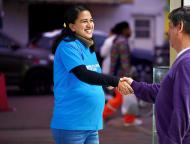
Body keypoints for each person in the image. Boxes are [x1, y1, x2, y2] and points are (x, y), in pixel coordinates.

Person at [121, 6, 190, 144]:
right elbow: (162, 91)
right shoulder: (189, 58)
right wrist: (134, 85)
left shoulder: (188, 62)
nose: (167, 32)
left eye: (170, 27)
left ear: (180, 26)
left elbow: (182, 111)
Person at [50, 5, 132, 144]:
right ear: (72, 26)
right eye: (84, 21)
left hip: (91, 125)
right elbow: (83, 74)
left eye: (91, 20)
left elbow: (94, 76)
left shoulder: (87, 46)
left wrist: (110, 85)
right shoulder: (68, 46)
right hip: (72, 125)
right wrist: (115, 81)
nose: (90, 25)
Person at [103, 21, 142, 126]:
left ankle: (128, 119)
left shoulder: (117, 40)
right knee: (123, 99)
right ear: (124, 30)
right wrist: (128, 78)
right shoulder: (122, 42)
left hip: (116, 75)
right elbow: (125, 62)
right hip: (121, 76)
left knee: (123, 99)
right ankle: (102, 116)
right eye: (129, 28)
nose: (130, 31)